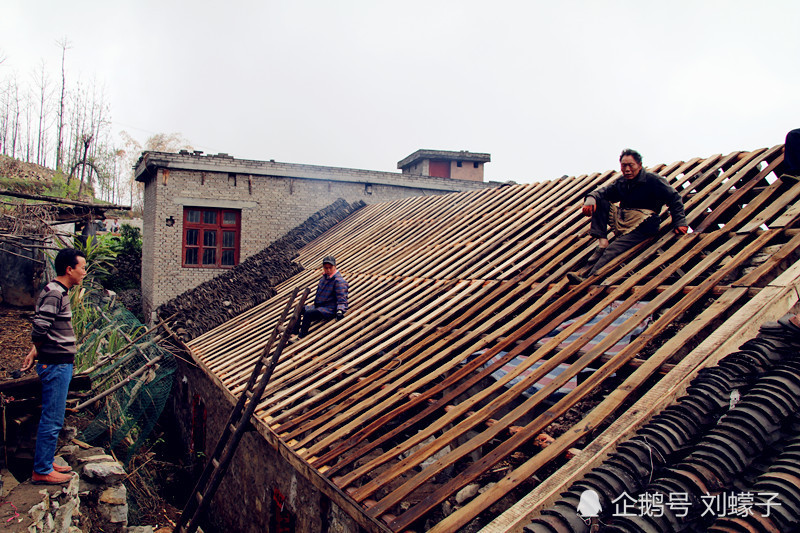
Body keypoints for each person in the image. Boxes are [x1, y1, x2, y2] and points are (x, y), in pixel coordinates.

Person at [568, 149, 688, 282]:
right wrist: (590, 199)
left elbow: (674, 198)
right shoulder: (622, 182)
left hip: (645, 224)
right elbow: (602, 192)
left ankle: (590, 278)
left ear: (639, 165)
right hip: (625, 220)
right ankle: (602, 242)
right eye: (624, 166)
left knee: (613, 249)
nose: (627, 169)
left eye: (631, 165)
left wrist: (680, 222)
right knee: (600, 202)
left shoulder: (653, 180)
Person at [21, 248, 87, 484]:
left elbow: (44, 328)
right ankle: (41, 470)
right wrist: (38, 352)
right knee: (52, 419)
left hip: (59, 363)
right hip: (56, 365)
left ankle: (46, 463)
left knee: (53, 417)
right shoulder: (54, 294)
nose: (84, 273)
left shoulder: (59, 291)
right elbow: (39, 329)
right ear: (69, 269)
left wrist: (35, 352)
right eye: (82, 268)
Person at [292, 256, 348, 339]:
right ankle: (294, 332)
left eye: (330, 268)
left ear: (335, 266)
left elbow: (342, 298)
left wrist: (340, 310)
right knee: (298, 308)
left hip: (329, 309)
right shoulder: (324, 278)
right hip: (319, 306)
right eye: (326, 268)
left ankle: (301, 336)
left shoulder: (339, 281)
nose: (328, 270)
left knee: (308, 314)